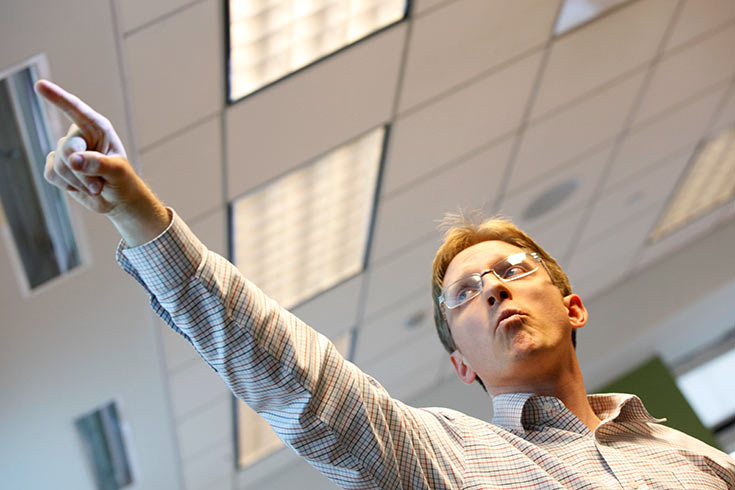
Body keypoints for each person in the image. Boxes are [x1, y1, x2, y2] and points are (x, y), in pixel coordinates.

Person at [38, 79, 734, 489]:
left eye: (511, 272)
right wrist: (136, 213)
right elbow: (307, 390)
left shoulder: (686, 453)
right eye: (462, 294)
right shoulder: (444, 458)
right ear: (459, 365)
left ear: (572, 305)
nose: (491, 290)